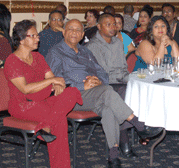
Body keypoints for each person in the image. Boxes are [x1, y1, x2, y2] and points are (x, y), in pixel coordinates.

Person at [46, 19, 163, 167]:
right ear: (63, 32)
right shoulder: (55, 52)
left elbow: (101, 72)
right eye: (70, 29)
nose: (74, 33)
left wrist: (99, 81)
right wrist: (82, 86)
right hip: (71, 96)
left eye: (78, 30)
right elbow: (54, 81)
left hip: (94, 93)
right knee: (108, 91)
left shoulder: (85, 51)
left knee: (108, 108)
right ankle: (139, 125)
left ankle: (113, 157)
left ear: (82, 34)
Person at [4, 20, 83, 168]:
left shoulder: (38, 57)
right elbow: (25, 89)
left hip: (44, 100)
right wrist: (52, 81)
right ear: (21, 40)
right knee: (59, 119)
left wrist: (55, 83)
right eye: (33, 36)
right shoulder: (12, 61)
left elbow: (55, 81)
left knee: (72, 91)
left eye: (37, 35)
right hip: (23, 105)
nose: (38, 38)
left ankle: (45, 126)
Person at [86, 14, 129, 99]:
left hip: (121, 81)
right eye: (108, 25)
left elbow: (124, 67)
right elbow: (104, 74)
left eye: (114, 24)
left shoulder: (118, 43)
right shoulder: (93, 46)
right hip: (105, 84)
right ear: (99, 26)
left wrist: (131, 79)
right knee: (127, 90)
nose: (112, 27)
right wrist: (123, 78)